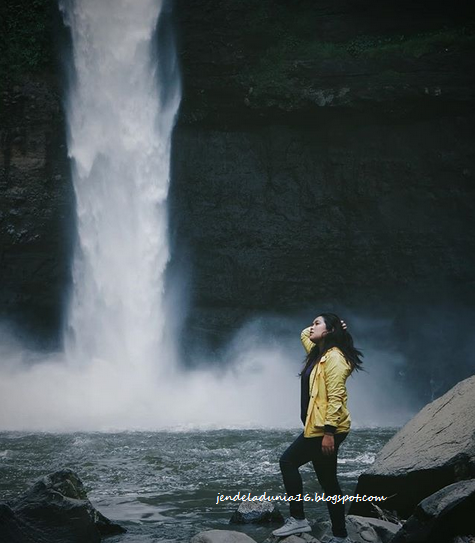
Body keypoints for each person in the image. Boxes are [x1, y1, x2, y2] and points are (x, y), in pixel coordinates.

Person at [272, 313, 363, 542]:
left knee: (288, 461)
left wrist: (329, 433)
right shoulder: (318, 353)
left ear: (329, 331)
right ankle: (341, 536)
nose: (311, 328)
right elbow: (304, 334)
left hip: (325, 429)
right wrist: (333, 328)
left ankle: (298, 518)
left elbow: (336, 397)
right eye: (312, 323)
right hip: (319, 427)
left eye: (317, 323)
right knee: (329, 481)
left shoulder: (334, 358)